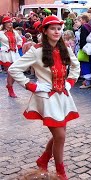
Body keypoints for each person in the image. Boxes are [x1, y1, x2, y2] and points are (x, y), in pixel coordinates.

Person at [8, 15, 80, 179]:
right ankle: (61, 171)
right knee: (60, 135)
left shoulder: (65, 49)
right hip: (46, 99)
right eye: (53, 28)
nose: (57, 31)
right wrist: (33, 85)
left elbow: (75, 66)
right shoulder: (36, 51)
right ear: (45, 31)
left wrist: (70, 82)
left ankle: (43, 159)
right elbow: (14, 69)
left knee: (59, 134)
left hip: (63, 97)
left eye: (59, 28)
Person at [0, 16, 22, 98]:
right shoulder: (1, 33)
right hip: (6, 55)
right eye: (8, 22)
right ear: (4, 24)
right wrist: (1, 48)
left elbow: (20, 40)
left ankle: (9, 85)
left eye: (11, 22)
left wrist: (18, 46)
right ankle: (11, 89)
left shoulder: (15, 32)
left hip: (15, 54)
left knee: (15, 72)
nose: (10, 24)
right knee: (10, 73)